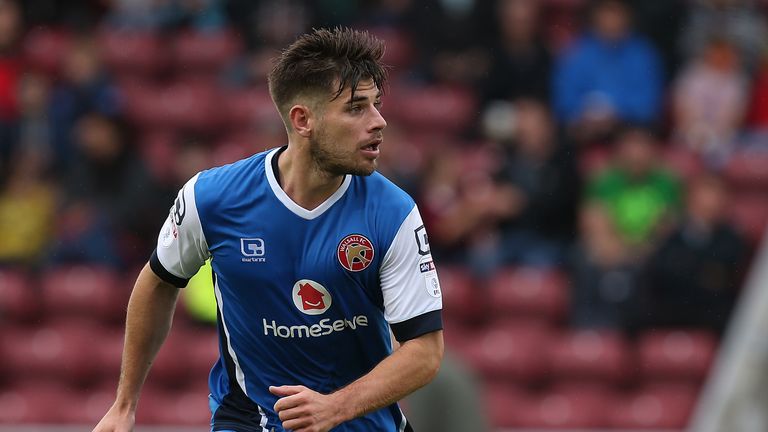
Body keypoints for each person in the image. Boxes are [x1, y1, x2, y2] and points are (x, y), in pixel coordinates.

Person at [93, 27, 444, 432]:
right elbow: (157, 282)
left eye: (376, 105)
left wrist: (334, 408)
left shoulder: (394, 213)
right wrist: (124, 404)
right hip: (249, 422)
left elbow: (424, 352)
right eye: (356, 108)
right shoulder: (212, 199)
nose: (379, 121)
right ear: (302, 120)